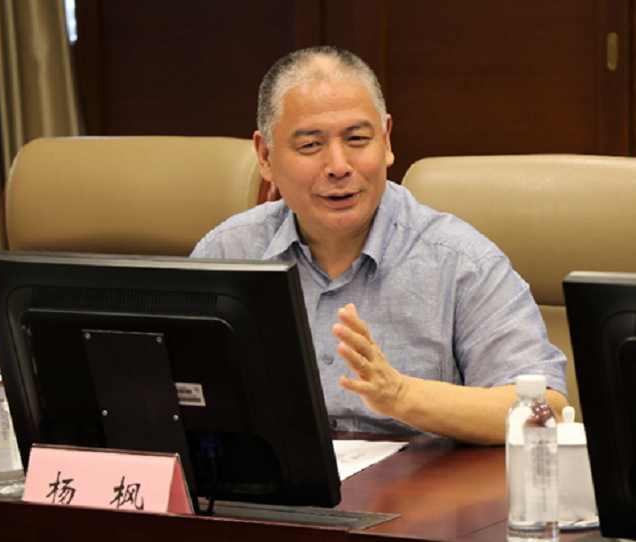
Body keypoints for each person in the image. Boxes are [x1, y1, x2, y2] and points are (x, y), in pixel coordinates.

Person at [191, 46, 567, 444]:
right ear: (265, 156)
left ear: (386, 141)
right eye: (311, 145)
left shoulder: (461, 262)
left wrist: (401, 396)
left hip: (420, 484)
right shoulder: (225, 255)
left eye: (357, 139)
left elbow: (547, 413)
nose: (338, 166)